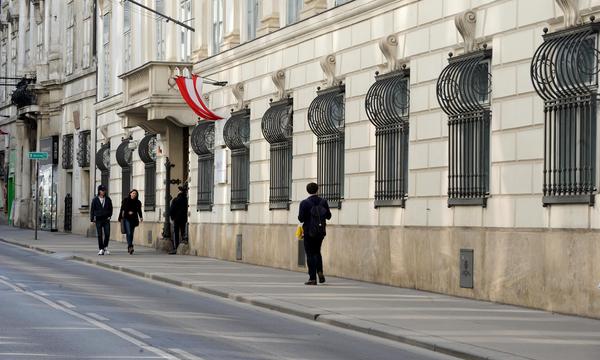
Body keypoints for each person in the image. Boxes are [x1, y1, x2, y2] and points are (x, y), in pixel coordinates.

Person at [298, 182, 331, 285]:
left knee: (310, 254)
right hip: (320, 232)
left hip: (309, 232)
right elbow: (329, 216)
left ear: (308, 191)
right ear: (318, 190)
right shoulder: (323, 202)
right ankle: (320, 272)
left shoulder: (304, 203)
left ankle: (312, 278)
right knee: (317, 252)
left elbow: (301, 218)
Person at [118, 189, 143, 255]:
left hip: (134, 219)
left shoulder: (138, 202)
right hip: (126, 218)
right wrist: (120, 218)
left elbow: (139, 210)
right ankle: (130, 246)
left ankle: (130, 246)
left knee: (131, 233)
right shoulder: (125, 200)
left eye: (135, 193)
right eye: (133, 193)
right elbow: (122, 209)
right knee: (128, 232)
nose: (134, 194)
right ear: (130, 193)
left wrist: (141, 217)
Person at [90, 185, 113, 255]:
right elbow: (92, 209)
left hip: (106, 219)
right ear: (99, 191)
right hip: (98, 219)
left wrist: (110, 216)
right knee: (99, 234)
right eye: (102, 190)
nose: (103, 192)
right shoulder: (95, 199)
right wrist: (92, 218)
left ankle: (105, 247)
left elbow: (111, 208)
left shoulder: (108, 199)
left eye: (104, 190)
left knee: (107, 234)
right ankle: (101, 249)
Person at [169, 185, 188, 255]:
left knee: (176, 233)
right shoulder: (187, 200)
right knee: (183, 231)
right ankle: (183, 243)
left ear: (179, 192)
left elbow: (171, 210)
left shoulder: (175, 199)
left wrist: (172, 217)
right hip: (184, 219)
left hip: (176, 219)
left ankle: (176, 247)